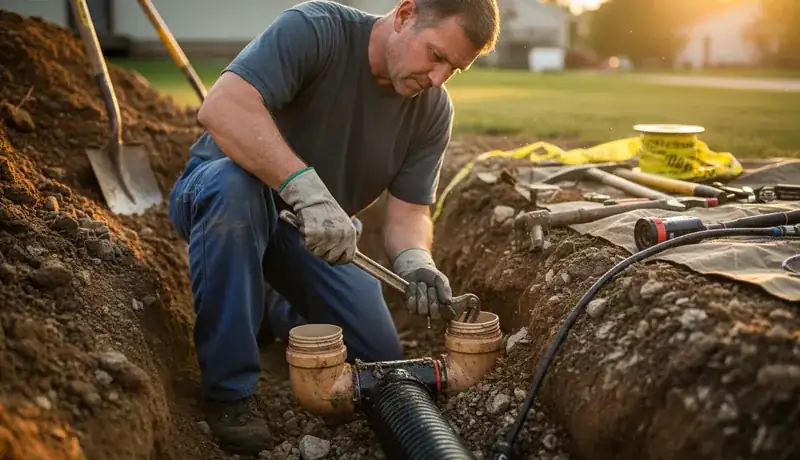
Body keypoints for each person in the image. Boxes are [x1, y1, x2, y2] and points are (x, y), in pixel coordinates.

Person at [167, 0, 499, 455]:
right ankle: (230, 392)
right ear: (405, 15)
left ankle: (273, 305)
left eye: (453, 70)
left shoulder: (432, 111)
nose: (438, 78)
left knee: (379, 352)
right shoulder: (315, 31)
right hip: (222, 200)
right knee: (234, 186)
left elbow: (409, 213)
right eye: (436, 56)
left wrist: (416, 262)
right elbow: (223, 106)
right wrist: (306, 190)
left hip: (310, 235)